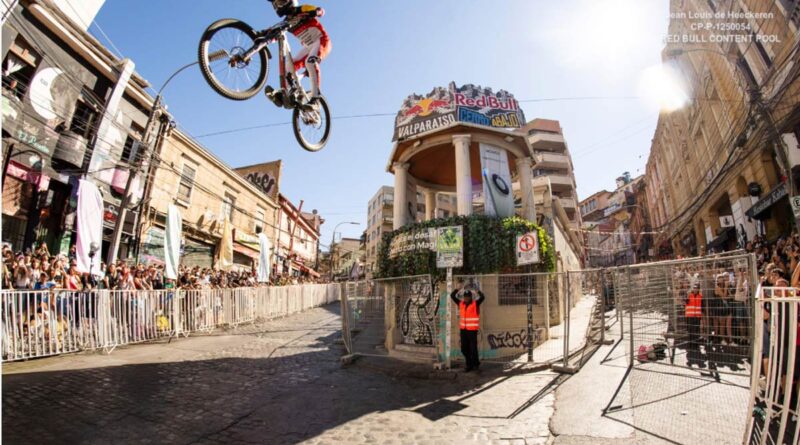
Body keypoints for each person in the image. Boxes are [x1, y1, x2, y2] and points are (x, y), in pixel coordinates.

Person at [265, 0, 330, 107]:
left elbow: (321, 11)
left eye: (280, 2)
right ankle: (286, 93)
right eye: (276, 5)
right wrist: (263, 34)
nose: (278, 6)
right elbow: (275, 32)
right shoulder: (286, 21)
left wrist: (316, 12)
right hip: (308, 47)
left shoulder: (302, 9)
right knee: (288, 67)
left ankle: (315, 99)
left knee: (310, 63)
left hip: (321, 41)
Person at [450, 283, 485, 372]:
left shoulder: (475, 304)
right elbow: (452, 296)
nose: (466, 298)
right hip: (463, 330)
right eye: (465, 296)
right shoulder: (461, 303)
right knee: (464, 349)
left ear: (471, 297)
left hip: (472, 331)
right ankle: (469, 363)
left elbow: (482, 297)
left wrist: (477, 290)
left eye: (468, 296)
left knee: (473, 349)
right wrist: (457, 289)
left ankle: (475, 365)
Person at [685, 282, 704, 367]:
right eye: (694, 288)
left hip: (697, 316)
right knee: (690, 330)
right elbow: (685, 302)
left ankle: (695, 344)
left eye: (697, 288)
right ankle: (690, 344)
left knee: (696, 330)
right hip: (690, 316)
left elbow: (702, 306)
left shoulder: (700, 296)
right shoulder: (689, 295)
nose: (695, 289)